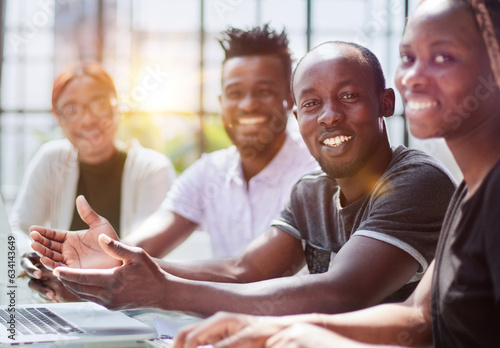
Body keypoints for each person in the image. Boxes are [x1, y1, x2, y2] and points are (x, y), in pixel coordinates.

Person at [30, 40, 456, 317]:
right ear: (298, 115)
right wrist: (128, 264)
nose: (329, 115)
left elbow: (341, 292)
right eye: (311, 104)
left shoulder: (416, 181)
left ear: (385, 103)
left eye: (348, 96)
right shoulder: (312, 191)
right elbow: (243, 270)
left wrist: (163, 291)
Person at [171, 0, 500, 347]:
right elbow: (417, 318)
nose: (413, 76)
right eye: (407, 58)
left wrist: (311, 337)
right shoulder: (469, 191)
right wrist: (286, 330)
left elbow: (344, 291)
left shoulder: (453, 186)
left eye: (443, 57)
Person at [122, 25, 319, 259]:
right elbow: (144, 243)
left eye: (263, 91)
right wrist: (101, 250)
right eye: (235, 93)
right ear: (221, 102)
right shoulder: (209, 173)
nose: (247, 105)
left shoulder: (314, 173)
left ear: (290, 99)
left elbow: (250, 273)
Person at [11, 61, 176, 302]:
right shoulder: (51, 160)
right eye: (71, 109)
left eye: (99, 104)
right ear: (57, 117)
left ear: (117, 107)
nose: (87, 120)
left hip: (133, 309)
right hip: (61, 304)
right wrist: (32, 255)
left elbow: (146, 252)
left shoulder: (153, 169)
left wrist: (83, 269)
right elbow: (19, 226)